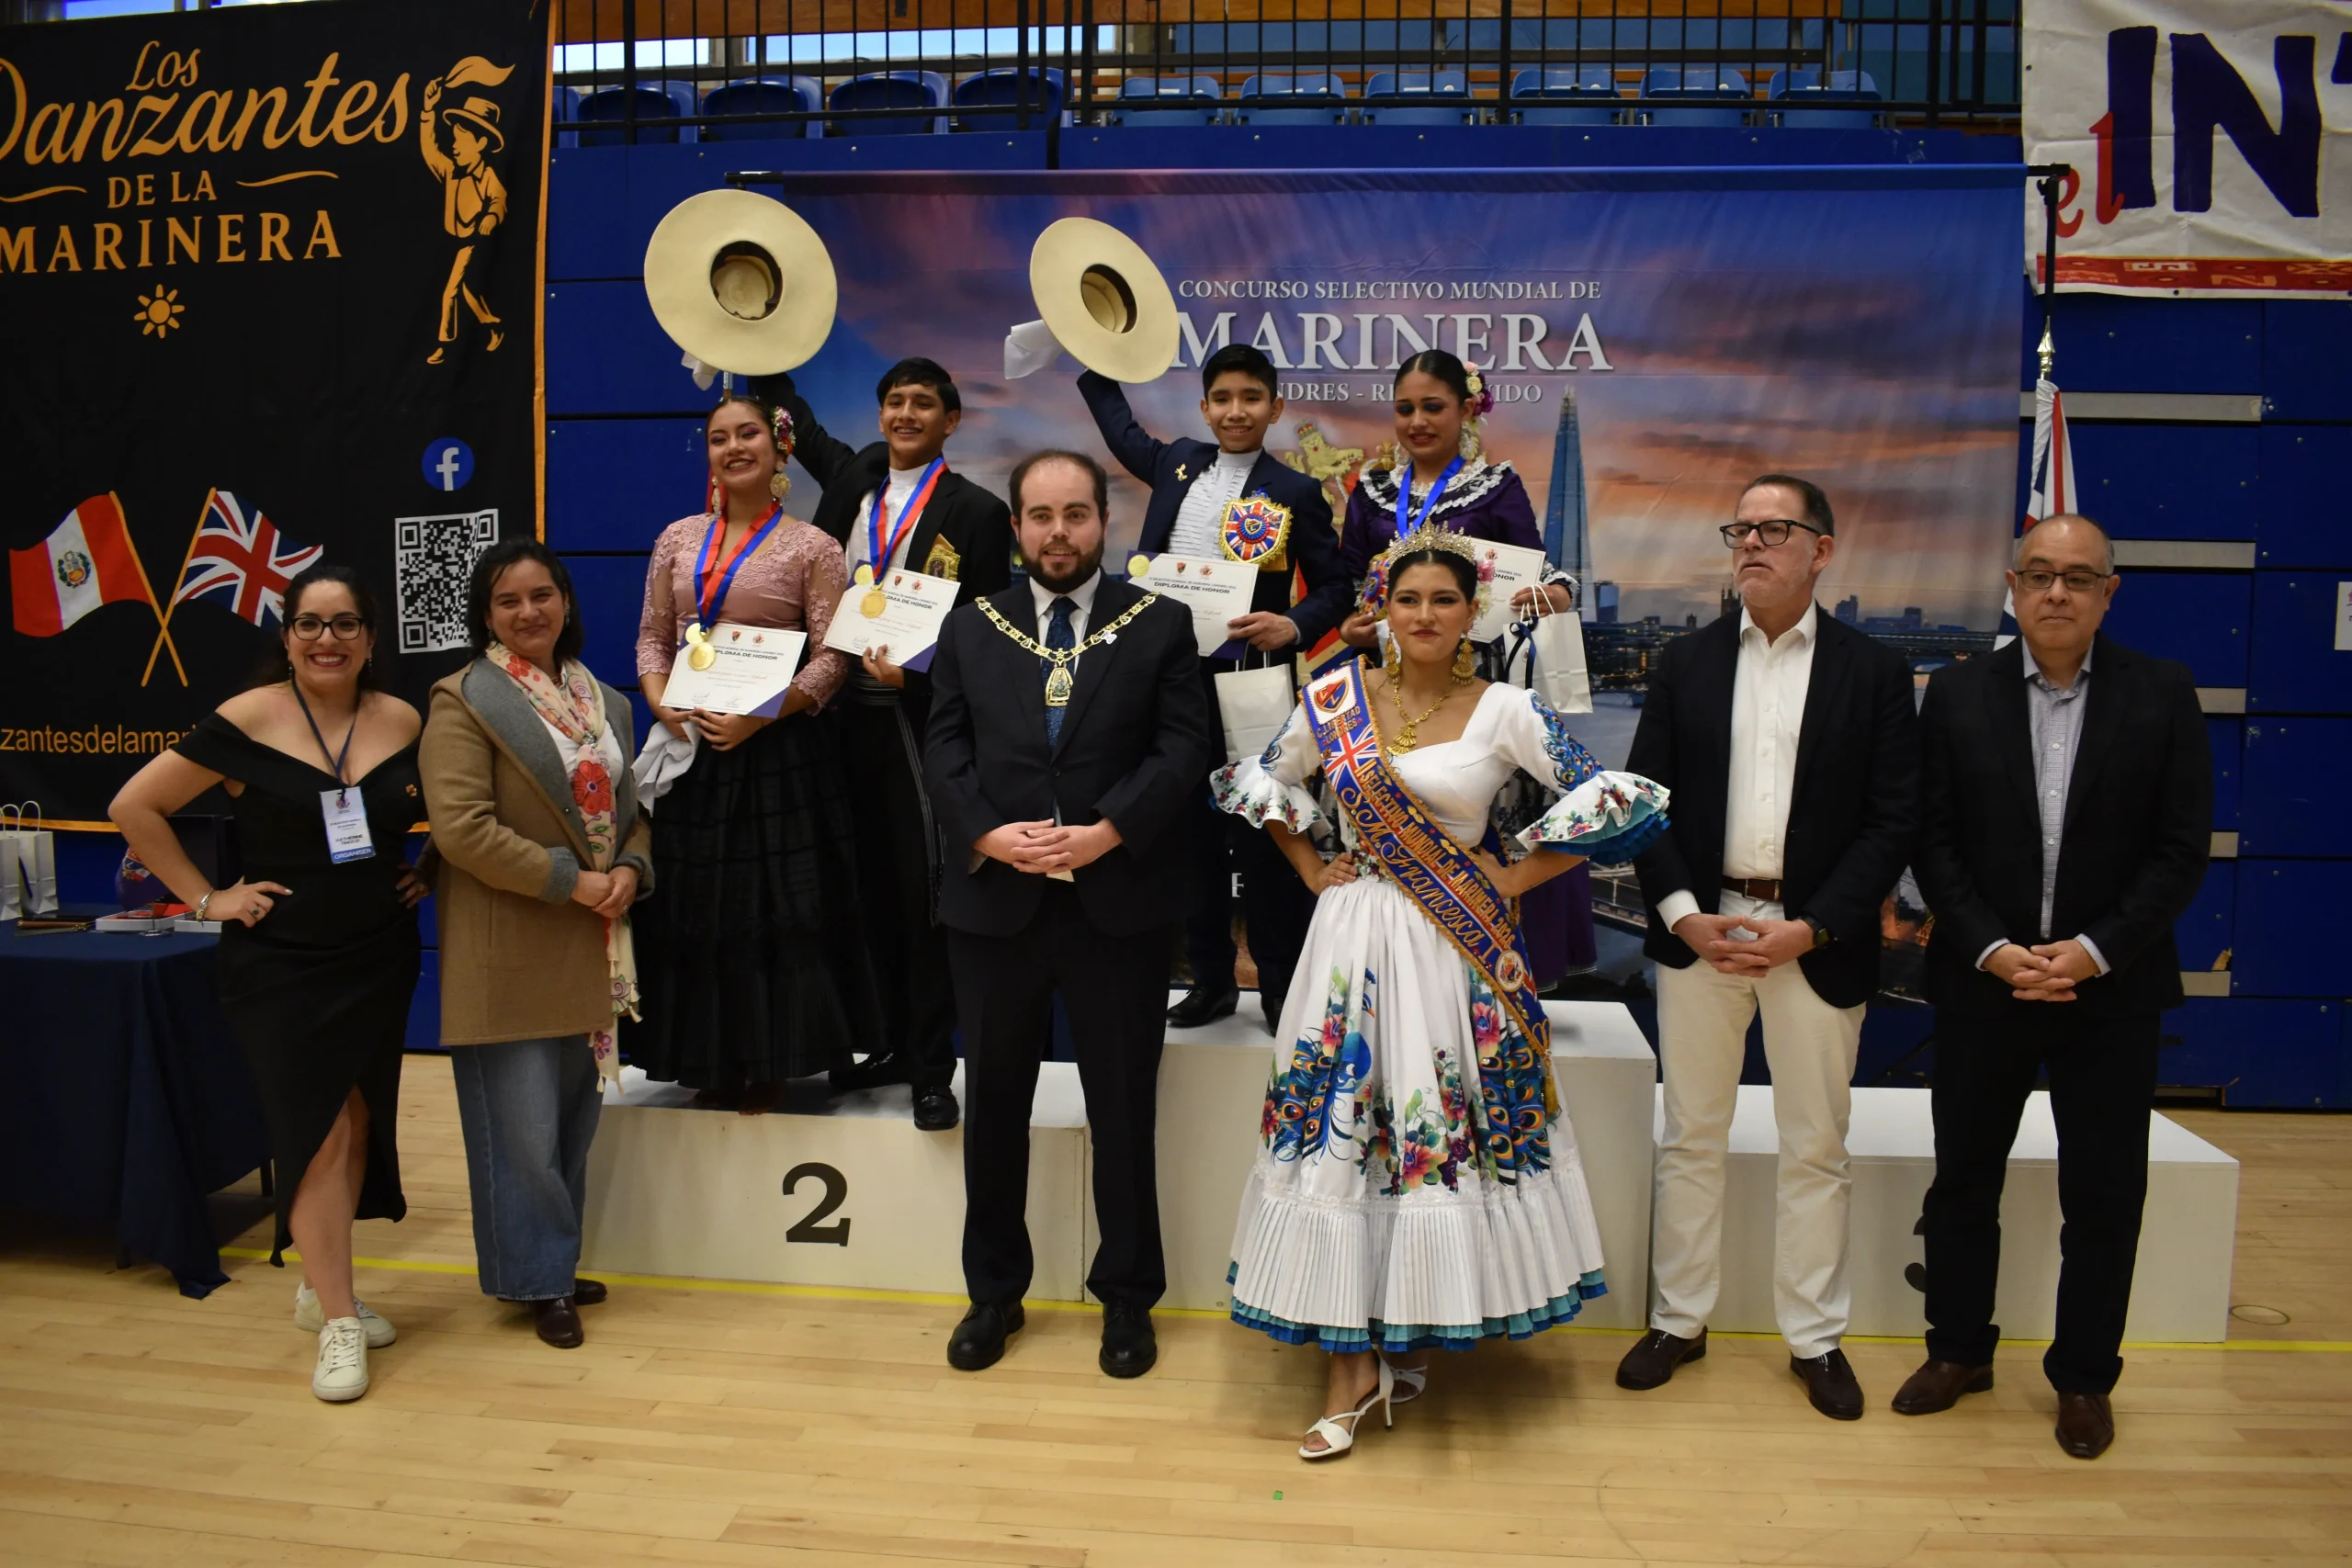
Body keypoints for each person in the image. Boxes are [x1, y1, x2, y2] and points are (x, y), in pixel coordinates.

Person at [1211, 524, 1669, 1459]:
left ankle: (1406, 1328)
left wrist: (1513, 878)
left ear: (1472, 614)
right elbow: (1258, 782)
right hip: (1350, 946)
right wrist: (1308, 868)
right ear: (1380, 606)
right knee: (1346, 1139)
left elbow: (1617, 802)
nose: (1423, 616)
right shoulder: (1332, 697)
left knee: (1424, 1137)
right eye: (1407, 598)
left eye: (1443, 601)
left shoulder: (1504, 708)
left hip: (1451, 949)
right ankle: (1350, 1363)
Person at [1901, 514, 2210, 1460]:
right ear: (2011, 585)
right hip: (1980, 983)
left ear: (2108, 593)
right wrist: (1994, 948)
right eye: (2039, 575)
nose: (2057, 593)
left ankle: (2082, 1378)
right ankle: (1958, 1351)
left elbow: (2178, 850)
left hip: (2106, 994)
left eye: (2079, 578)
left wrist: (2089, 950)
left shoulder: (2162, 695)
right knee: (1961, 1185)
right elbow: (1931, 841)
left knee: (2105, 1196)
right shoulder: (1954, 696)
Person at [1617, 474, 1918, 1420]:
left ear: (1820, 549)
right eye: (1738, 529)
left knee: (1813, 1147)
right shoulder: (1685, 664)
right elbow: (1643, 802)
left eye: (1772, 529)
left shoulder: (1873, 672)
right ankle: (1679, 1319)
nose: (1750, 544)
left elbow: (1892, 819)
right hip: (1701, 931)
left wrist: (1812, 925)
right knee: (1691, 1136)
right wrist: (1679, 912)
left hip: (1813, 940)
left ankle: (1814, 1338)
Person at [922, 449, 1212, 1380]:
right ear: (1014, 527)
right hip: (994, 902)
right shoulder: (971, 628)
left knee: (1122, 1111)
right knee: (996, 1106)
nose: (1058, 533)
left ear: (1103, 522)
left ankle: (1126, 1300)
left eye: (1075, 515)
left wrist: (1106, 833)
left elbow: (1183, 749)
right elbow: (943, 749)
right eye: (1040, 516)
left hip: (1115, 904)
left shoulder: (1161, 624)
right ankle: (992, 1295)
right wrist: (991, 837)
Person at [108, 563, 426, 1404]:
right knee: (315, 1130)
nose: (329, 639)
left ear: (369, 637)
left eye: (346, 623)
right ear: (286, 636)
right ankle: (338, 1321)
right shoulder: (248, 718)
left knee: (356, 1123)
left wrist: (428, 871)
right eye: (311, 623)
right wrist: (210, 898)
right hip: (281, 961)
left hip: (380, 954)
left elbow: (449, 810)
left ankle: (323, 1284)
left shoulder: (403, 718)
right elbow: (134, 807)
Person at [755, 358, 1014, 1131]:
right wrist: (762, 344)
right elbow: (795, 423)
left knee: (921, 893)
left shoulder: (977, 510)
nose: (906, 413)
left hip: (912, 714)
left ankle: (934, 1068)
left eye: (923, 403)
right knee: (857, 886)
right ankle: (891, 1043)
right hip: (835, 711)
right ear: (882, 415)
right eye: (895, 401)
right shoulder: (851, 482)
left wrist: (922, 679)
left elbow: (989, 627)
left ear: (950, 421)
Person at [419, 540, 652, 1349]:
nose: (529, 612)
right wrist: (570, 881)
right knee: (517, 1129)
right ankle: (537, 1277)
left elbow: (633, 813)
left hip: (591, 944)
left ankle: (548, 1260)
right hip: (511, 941)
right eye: (508, 600)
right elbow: (461, 829)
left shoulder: (606, 702)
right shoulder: (463, 698)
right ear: (486, 615)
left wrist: (630, 866)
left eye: (542, 595)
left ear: (565, 600)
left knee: (568, 1125)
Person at [1080, 344, 1351, 1033]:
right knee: (1187, 838)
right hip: (1170, 684)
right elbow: (1120, 430)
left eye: (1251, 398)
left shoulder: (1293, 491)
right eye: (1223, 398)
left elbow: (1339, 588)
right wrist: (1090, 356)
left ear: (1275, 408)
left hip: (1251, 684)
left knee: (1264, 837)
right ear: (1204, 407)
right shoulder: (1176, 463)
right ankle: (1208, 980)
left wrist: (1291, 623)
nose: (1236, 411)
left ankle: (1282, 987)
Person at [627, 391, 884, 1112]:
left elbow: (836, 656)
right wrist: (656, 698)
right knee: (697, 907)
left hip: (778, 755)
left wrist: (763, 715)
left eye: (748, 435)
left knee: (773, 912)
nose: (733, 447)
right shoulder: (677, 538)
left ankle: (773, 1062)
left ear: (777, 451)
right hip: (691, 749)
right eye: (718, 438)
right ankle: (708, 1060)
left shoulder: (812, 546)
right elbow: (653, 633)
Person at [1335, 348, 1593, 995]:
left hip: (1472, 679)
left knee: (1482, 816)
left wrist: (1553, 595)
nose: (1417, 421)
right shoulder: (1370, 491)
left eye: (1433, 407)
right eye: (1405, 409)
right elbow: (1347, 587)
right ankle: (1378, 962)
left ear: (1465, 410)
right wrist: (1350, 627)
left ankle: (1494, 971)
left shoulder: (1495, 484)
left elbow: (1541, 570)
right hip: (1385, 677)